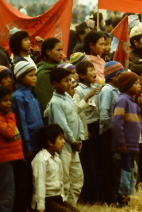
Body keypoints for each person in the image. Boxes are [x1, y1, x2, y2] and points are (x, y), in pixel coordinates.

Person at [47, 67, 85, 206]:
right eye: (65, 81)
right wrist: (72, 140)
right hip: (64, 147)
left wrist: (79, 138)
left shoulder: (68, 97)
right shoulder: (56, 102)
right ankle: (63, 207)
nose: (69, 83)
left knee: (77, 178)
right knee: (65, 180)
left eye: (70, 80)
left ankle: (71, 206)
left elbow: (76, 117)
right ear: (55, 84)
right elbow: (62, 126)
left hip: (73, 145)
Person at [11, 61, 44, 210]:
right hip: (29, 142)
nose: (34, 78)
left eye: (35, 75)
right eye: (30, 75)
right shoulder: (18, 96)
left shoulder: (32, 93)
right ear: (20, 77)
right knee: (26, 177)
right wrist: (27, 144)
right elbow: (22, 122)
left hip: (38, 139)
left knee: (37, 176)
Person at [112, 71, 142, 207]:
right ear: (127, 85)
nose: (139, 86)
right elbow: (117, 123)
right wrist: (121, 142)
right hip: (124, 145)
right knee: (124, 173)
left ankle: (127, 197)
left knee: (130, 172)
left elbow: (141, 121)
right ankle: (122, 200)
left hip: (132, 145)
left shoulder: (132, 102)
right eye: (136, 83)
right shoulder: (122, 101)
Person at [31, 124, 80, 212]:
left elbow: (61, 182)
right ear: (50, 142)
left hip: (57, 198)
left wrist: (63, 199)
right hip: (46, 200)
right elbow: (39, 185)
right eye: (60, 138)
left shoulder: (57, 159)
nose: (64, 141)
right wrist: (40, 208)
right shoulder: (40, 160)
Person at [0, 85, 24, 212]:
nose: (9, 103)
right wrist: (11, 116)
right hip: (3, 160)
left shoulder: (2, 115)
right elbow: (9, 132)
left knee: (11, 190)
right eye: (5, 100)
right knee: (6, 193)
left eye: (9, 100)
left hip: (13, 157)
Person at [74, 60, 102, 202]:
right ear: (82, 75)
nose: (94, 72)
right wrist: (85, 130)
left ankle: (97, 193)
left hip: (97, 126)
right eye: (90, 70)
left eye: (94, 70)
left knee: (97, 161)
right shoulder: (78, 90)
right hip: (87, 128)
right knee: (88, 162)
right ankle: (88, 195)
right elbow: (80, 112)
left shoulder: (96, 87)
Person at [98, 61, 125, 203]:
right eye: (120, 74)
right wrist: (113, 128)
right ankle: (108, 197)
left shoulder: (118, 90)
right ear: (114, 76)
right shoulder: (107, 90)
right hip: (108, 134)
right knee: (108, 165)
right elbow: (103, 113)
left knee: (116, 166)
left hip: (115, 133)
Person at [35, 38, 64, 113]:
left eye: (62, 50)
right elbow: (46, 102)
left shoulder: (64, 67)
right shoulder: (42, 74)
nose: (61, 53)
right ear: (48, 51)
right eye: (58, 50)